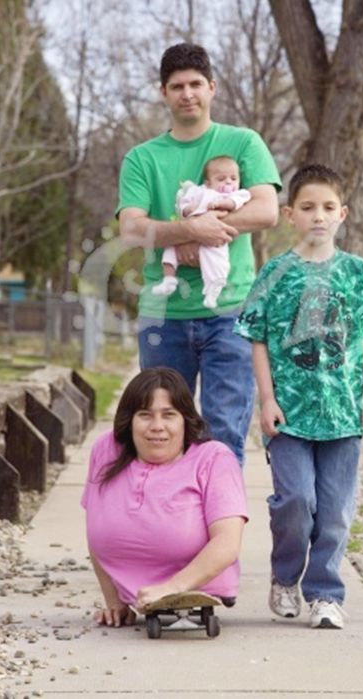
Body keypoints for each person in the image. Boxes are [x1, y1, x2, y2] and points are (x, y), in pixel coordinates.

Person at [235, 164, 363, 629]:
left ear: (342, 213)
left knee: (335, 514)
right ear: (290, 214)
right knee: (295, 502)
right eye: (308, 207)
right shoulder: (275, 273)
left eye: (328, 208)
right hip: (289, 416)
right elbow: (258, 338)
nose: (318, 216)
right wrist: (267, 400)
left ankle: (325, 594)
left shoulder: (358, 274)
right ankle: (285, 577)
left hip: (343, 416)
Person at [117, 42, 281, 465]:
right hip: (164, 316)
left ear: (212, 87)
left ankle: (222, 529)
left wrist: (205, 235)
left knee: (224, 432)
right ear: (163, 92)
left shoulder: (243, 143)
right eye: (176, 86)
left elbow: (266, 210)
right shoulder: (142, 159)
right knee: (161, 433)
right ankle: (169, 526)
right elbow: (131, 228)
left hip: (230, 314)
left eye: (195, 84)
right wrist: (189, 228)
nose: (186, 93)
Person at [81, 367, 248, 627]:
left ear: (185, 420)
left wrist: (172, 587)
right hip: (136, 597)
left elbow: (227, 543)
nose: (157, 426)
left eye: (169, 415)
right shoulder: (106, 449)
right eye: (145, 415)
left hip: (197, 588)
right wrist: (114, 601)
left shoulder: (214, 458)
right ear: (130, 420)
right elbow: (96, 528)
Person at [152, 155, 251, 309]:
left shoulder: (236, 194)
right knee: (170, 249)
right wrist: (187, 209)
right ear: (208, 183)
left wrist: (224, 202)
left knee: (216, 261)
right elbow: (183, 204)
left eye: (233, 178)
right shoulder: (198, 191)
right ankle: (169, 280)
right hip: (187, 235)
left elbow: (237, 202)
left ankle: (213, 292)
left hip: (212, 237)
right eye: (221, 178)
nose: (228, 182)